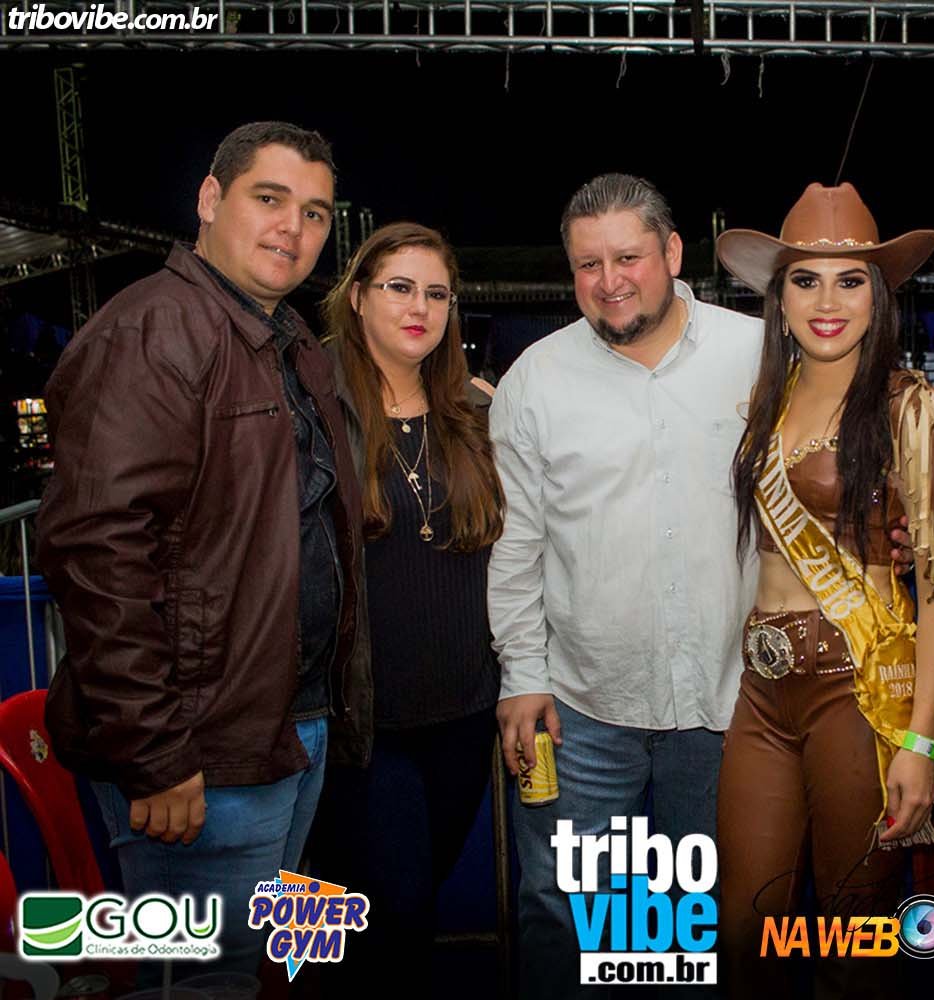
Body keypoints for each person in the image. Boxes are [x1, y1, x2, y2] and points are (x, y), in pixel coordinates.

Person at [36, 122, 369, 979]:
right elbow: (96, 558)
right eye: (270, 198)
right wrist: (154, 756)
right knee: (204, 983)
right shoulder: (154, 331)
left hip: (286, 730)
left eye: (315, 212)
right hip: (199, 757)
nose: (293, 227)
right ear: (211, 199)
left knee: (258, 970)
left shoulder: (288, 342)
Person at [486, 173, 764, 997]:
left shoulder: (758, 355)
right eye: (588, 264)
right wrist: (521, 676)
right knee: (562, 910)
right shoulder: (535, 379)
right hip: (580, 711)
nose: (609, 281)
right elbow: (517, 544)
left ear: (672, 252)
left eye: (628, 257)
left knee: (703, 915)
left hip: (728, 703)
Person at [713, 182, 934, 997]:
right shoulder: (766, 401)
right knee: (743, 931)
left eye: (850, 281)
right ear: (779, 298)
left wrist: (921, 744)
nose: (827, 302)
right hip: (762, 690)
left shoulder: (911, 409)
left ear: (879, 296)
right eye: (806, 280)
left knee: (850, 938)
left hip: (857, 690)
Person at [309, 222, 505, 993]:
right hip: (364, 721)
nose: (419, 307)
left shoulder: (476, 415)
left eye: (436, 293)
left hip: (465, 713)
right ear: (358, 297)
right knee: (397, 906)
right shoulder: (315, 411)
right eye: (399, 287)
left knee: (398, 910)